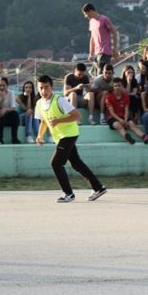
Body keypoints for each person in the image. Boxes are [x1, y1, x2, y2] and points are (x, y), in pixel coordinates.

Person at [35, 74, 107, 202]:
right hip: (60, 137)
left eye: (46, 87)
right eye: (41, 88)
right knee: (76, 163)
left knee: (56, 163)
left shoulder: (59, 100)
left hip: (69, 134)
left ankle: (68, 194)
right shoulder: (39, 103)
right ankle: (98, 188)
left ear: (52, 87)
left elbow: (76, 115)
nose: (44, 91)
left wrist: (58, 121)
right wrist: (40, 136)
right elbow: (44, 121)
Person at [104, 77, 148, 144]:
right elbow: (111, 112)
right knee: (118, 125)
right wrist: (120, 120)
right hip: (113, 118)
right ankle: (128, 138)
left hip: (124, 116)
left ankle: (145, 137)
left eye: (119, 85)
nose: (117, 87)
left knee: (132, 124)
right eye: (115, 86)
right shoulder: (109, 97)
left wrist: (125, 119)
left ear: (122, 86)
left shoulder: (126, 96)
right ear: (113, 87)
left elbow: (126, 109)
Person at [81, 3, 118, 71]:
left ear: (90, 11)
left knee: (101, 74)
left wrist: (115, 49)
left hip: (105, 51)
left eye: (86, 13)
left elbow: (114, 32)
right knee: (92, 72)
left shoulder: (104, 19)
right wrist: (91, 53)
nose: (85, 16)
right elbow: (92, 38)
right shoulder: (91, 22)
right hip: (96, 52)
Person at [0, 77, 20, 144]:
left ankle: (14, 138)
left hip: (7, 115)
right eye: (0, 85)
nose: (1, 87)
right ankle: (0, 139)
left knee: (15, 114)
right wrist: (3, 98)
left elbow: (13, 107)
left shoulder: (11, 93)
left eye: (3, 85)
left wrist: (5, 109)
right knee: (0, 115)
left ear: (7, 86)